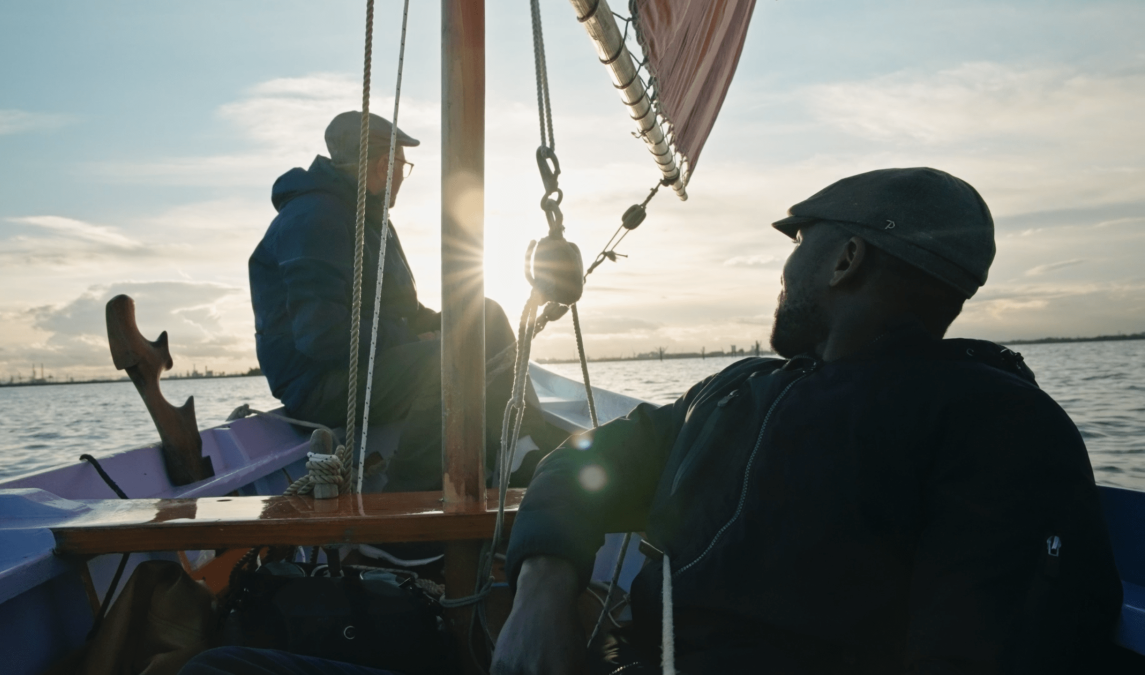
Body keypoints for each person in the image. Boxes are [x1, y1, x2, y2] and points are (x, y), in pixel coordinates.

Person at [493, 168, 1123, 674]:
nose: (785, 269)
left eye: (799, 243)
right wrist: (543, 586)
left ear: (846, 258)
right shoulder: (735, 394)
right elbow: (579, 463)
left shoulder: (995, 426)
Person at [249, 111, 544, 493]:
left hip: (372, 361)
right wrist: (411, 338)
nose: (404, 176)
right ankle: (409, 495)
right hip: (320, 385)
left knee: (484, 314)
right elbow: (321, 336)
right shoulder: (315, 219)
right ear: (383, 165)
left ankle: (519, 450)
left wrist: (447, 322)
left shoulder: (369, 219)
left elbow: (402, 309)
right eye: (403, 165)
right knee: (449, 360)